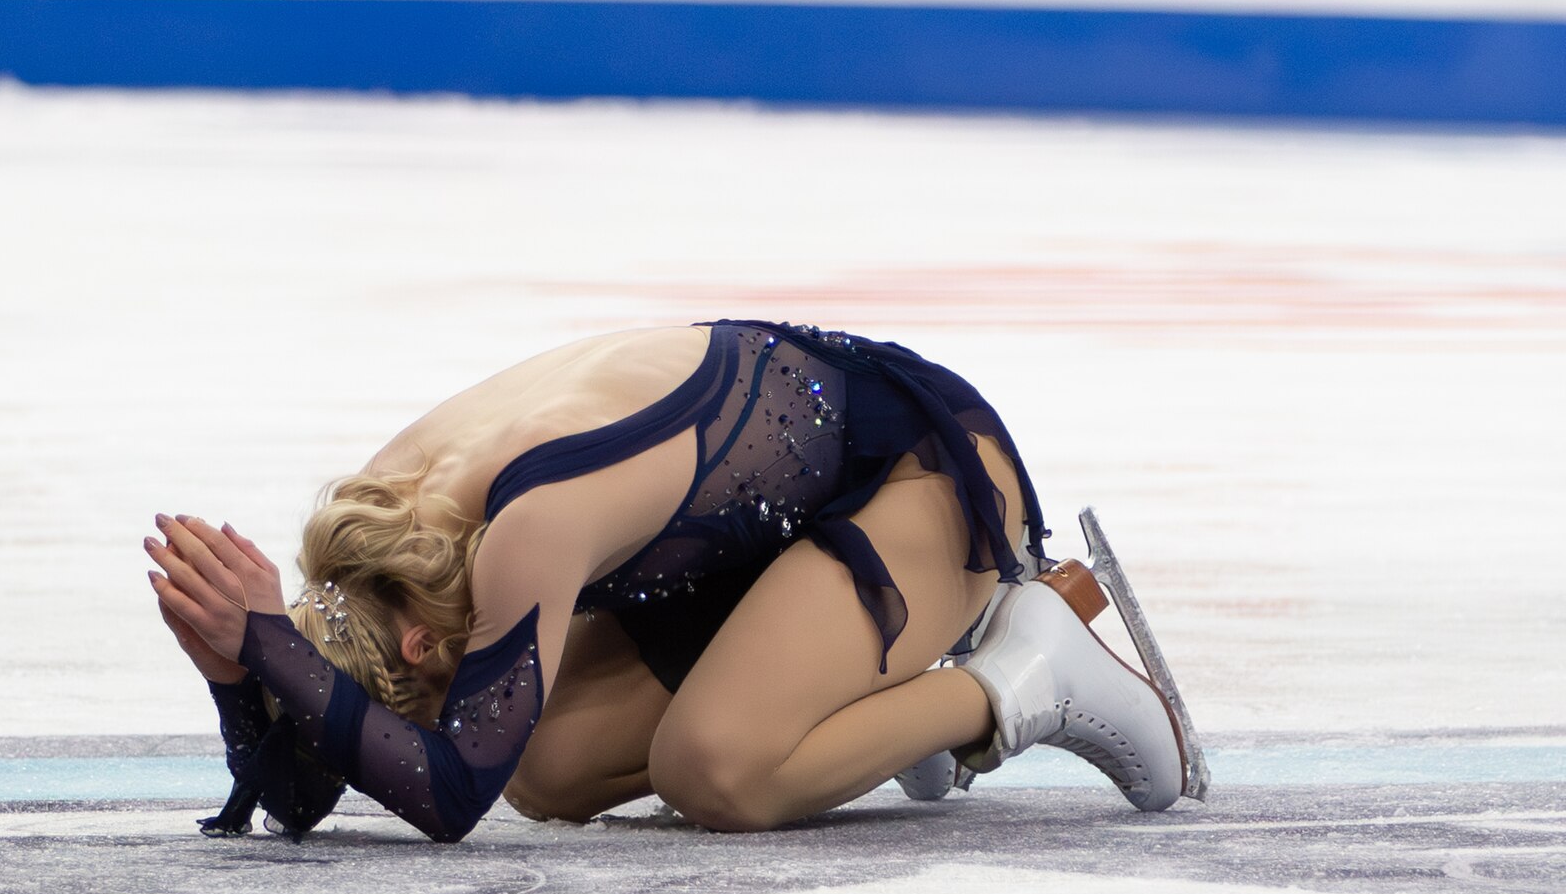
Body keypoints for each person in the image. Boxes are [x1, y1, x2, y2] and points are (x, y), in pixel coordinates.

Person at [144, 320, 1197, 843]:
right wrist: (238, 672)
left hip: (921, 475)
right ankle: (863, 692)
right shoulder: (378, 520)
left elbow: (448, 790)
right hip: (757, 541)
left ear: (420, 644)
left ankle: (1027, 671)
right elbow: (307, 795)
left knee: (716, 771)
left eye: (421, 697)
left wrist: (270, 645)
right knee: (545, 769)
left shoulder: (525, 528)